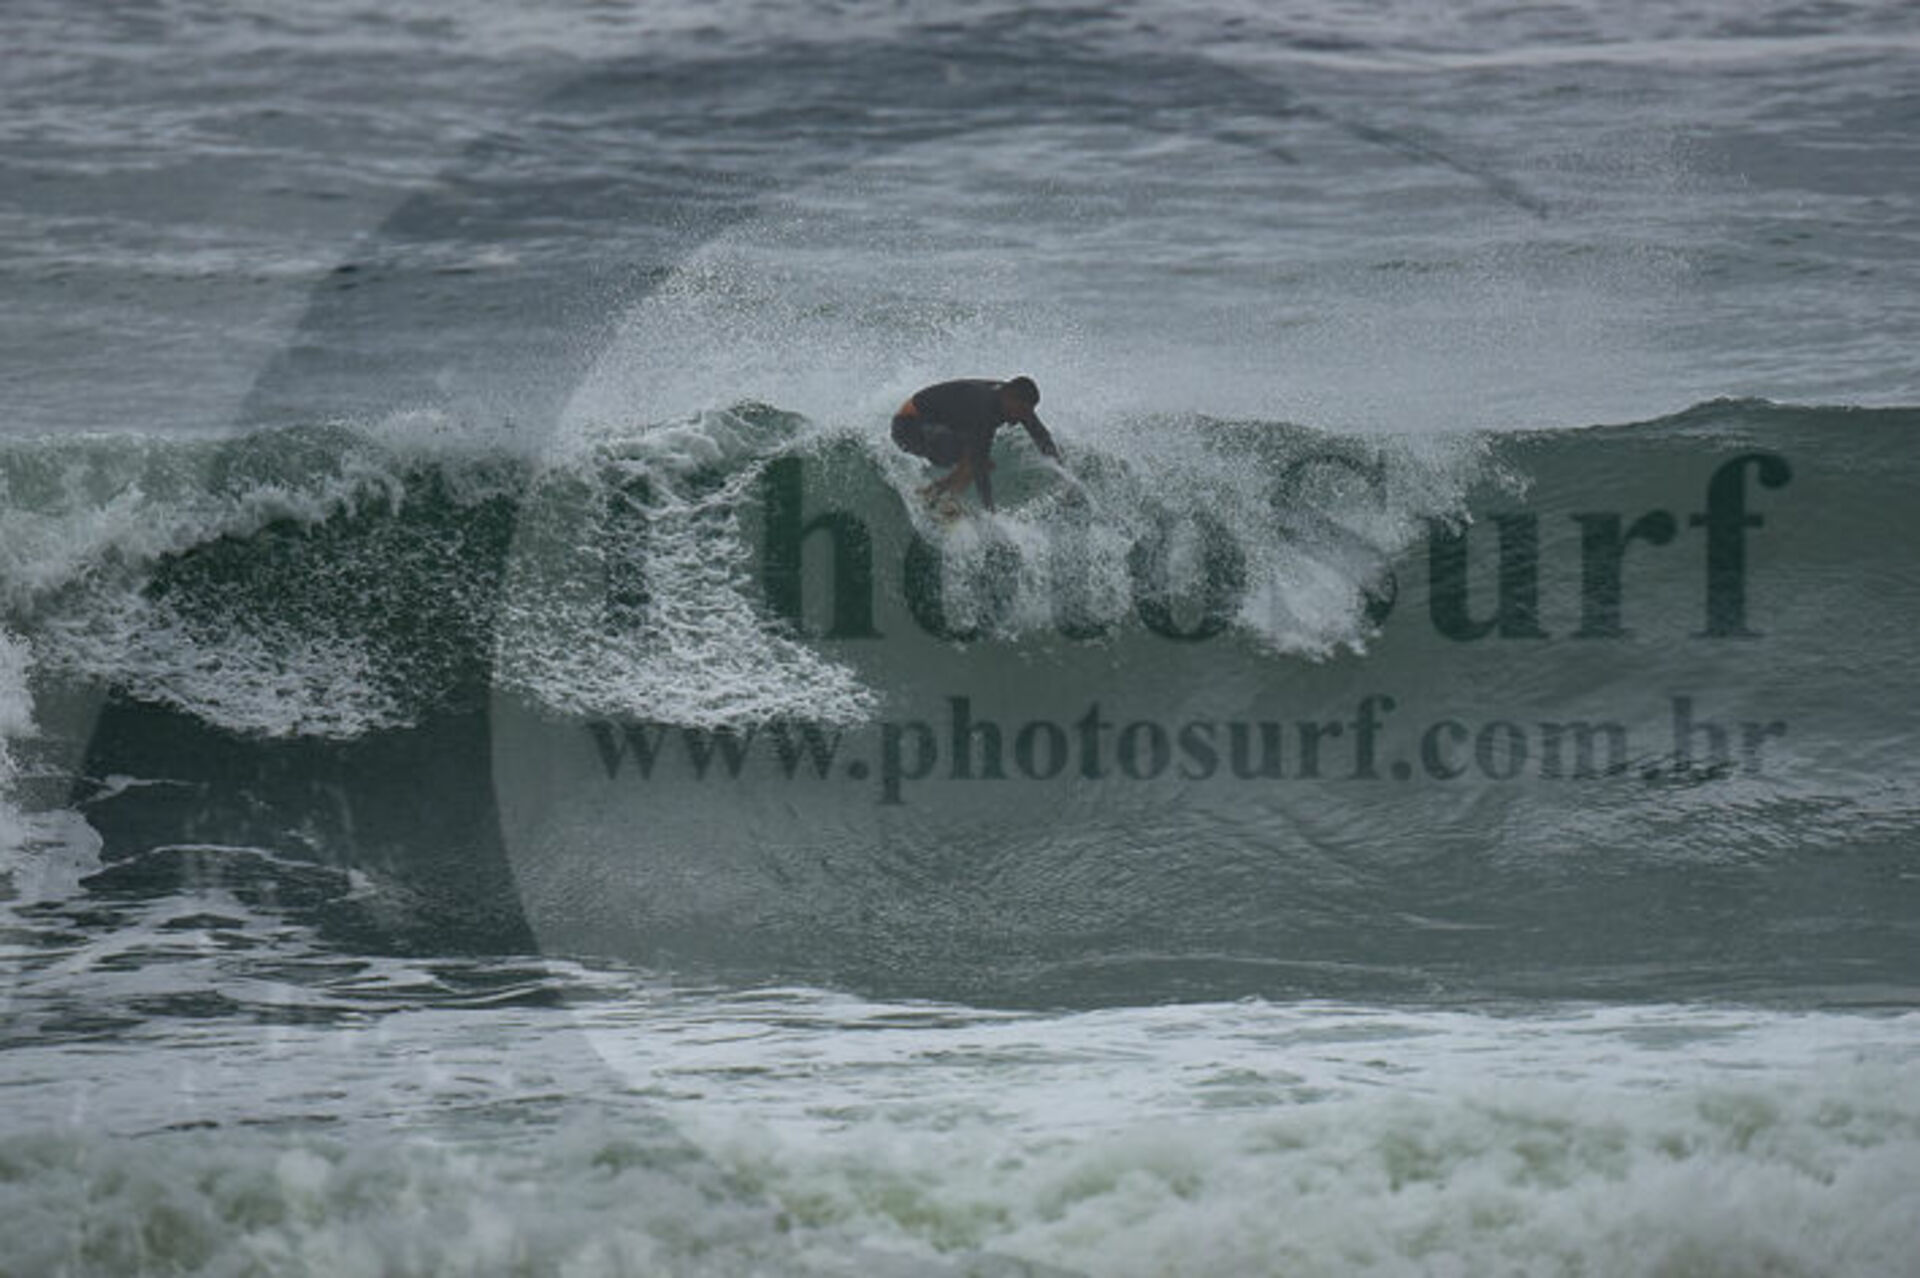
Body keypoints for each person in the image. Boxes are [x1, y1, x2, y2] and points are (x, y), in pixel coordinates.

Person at [890, 376, 1061, 512]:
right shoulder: (984, 406)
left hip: (937, 427)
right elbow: (978, 462)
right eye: (1021, 411)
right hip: (909, 427)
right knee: (976, 459)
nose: (1020, 419)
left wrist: (1061, 470)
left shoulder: (1011, 400)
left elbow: (1040, 435)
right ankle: (944, 497)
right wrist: (989, 509)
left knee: (976, 458)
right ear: (1009, 398)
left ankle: (933, 494)